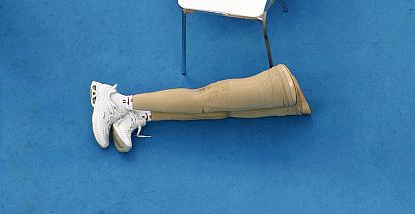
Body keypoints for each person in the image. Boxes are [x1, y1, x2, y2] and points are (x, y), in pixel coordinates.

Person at [90, 64, 311, 152]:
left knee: (220, 113)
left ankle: (140, 115)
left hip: (288, 101)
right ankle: (116, 101)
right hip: (281, 86)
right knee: (203, 101)